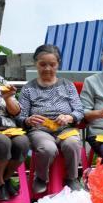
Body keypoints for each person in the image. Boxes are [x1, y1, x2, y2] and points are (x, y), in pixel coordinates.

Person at [17, 44, 84, 194]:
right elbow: (19, 116)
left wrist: (69, 117)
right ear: (36, 64)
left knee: (72, 143)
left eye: (52, 64)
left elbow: (80, 111)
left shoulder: (67, 85)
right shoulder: (28, 88)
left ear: (58, 64)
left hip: (66, 128)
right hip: (40, 130)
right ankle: (41, 177)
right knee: (47, 148)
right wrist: (28, 120)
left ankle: (72, 178)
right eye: (43, 64)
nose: (47, 68)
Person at [0, 47, 28, 200]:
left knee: (23, 142)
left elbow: (16, 112)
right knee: (2, 142)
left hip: (6, 126)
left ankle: (5, 178)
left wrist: (8, 98)